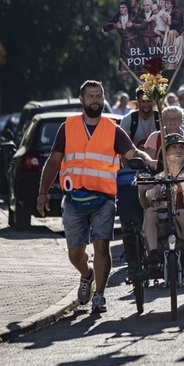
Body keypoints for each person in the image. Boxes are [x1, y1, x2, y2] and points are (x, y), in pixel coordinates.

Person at [36, 80, 158, 313]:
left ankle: (99, 295)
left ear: (104, 99)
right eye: (90, 96)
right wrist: (43, 193)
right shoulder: (67, 127)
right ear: (82, 100)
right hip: (74, 200)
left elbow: (133, 152)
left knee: (102, 246)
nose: (95, 100)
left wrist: (149, 160)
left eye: (99, 96)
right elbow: (53, 161)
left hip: (104, 199)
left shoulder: (112, 129)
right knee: (75, 253)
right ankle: (87, 274)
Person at [138, 133, 184, 296]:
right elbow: (147, 203)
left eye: (181, 147)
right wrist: (142, 193)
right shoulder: (157, 178)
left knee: (181, 214)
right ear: (164, 154)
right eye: (174, 147)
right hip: (163, 219)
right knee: (149, 212)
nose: (178, 150)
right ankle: (154, 257)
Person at [102, 0, 146, 71]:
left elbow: (144, 25)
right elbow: (105, 27)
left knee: (141, 65)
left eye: (123, 7)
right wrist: (114, 25)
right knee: (124, 67)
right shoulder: (117, 17)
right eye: (120, 8)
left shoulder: (134, 16)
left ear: (127, 8)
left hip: (137, 43)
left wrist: (133, 25)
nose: (121, 9)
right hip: (125, 46)